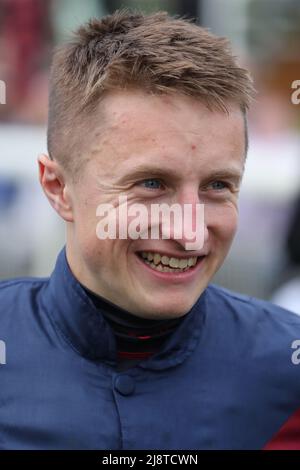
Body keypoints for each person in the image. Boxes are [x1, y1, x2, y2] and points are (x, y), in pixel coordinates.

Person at [1, 9, 300, 450]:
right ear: (58, 187)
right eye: (152, 184)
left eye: (218, 185)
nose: (191, 232)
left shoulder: (287, 372)